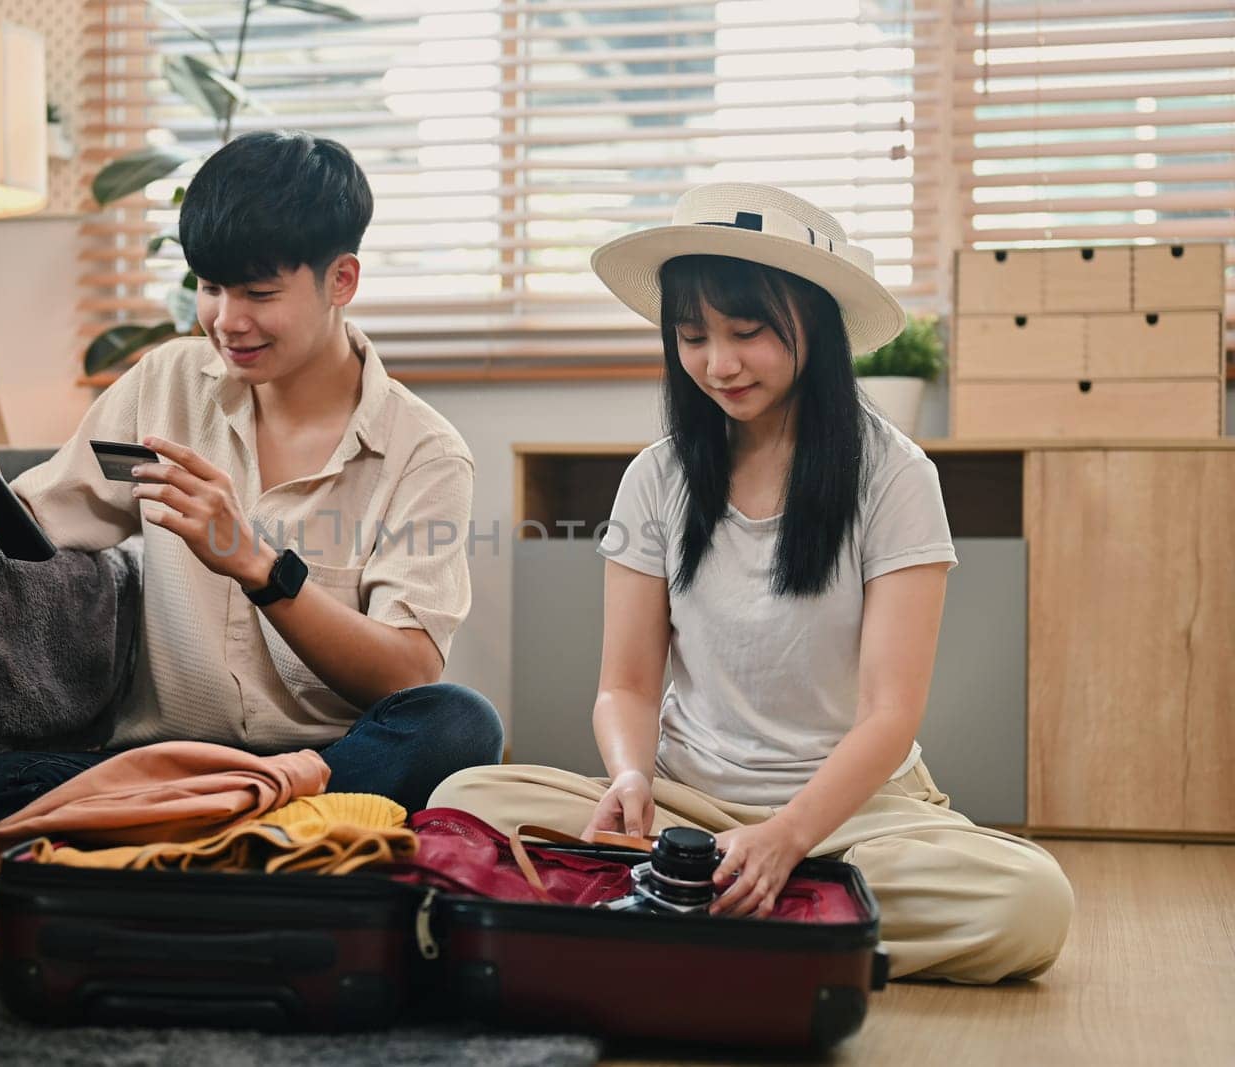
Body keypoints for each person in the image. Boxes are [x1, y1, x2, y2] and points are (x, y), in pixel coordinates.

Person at [429, 183, 1072, 984]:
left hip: (853, 816)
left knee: (1031, 902)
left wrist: (789, 834)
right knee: (464, 797)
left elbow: (889, 711)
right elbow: (625, 686)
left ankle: (685, 912)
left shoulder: (895, 475)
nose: (718, 363)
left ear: (815, 323)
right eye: (693, 336)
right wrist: (631, 776)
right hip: (686, 810)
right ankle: (794, 917)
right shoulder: (656, 476)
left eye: (747, 331)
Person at [0, 130, 501, 874]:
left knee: (458, 726)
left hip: (327, 768)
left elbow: (408, 673)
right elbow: (49, 514)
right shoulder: (166, 383)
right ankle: (261, 853)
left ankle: (180, 857)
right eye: (211, 287)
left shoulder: (423, 452)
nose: (227, 319)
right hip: (165, 769)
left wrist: (260, 567)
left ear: (341, 280)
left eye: (259, 293)